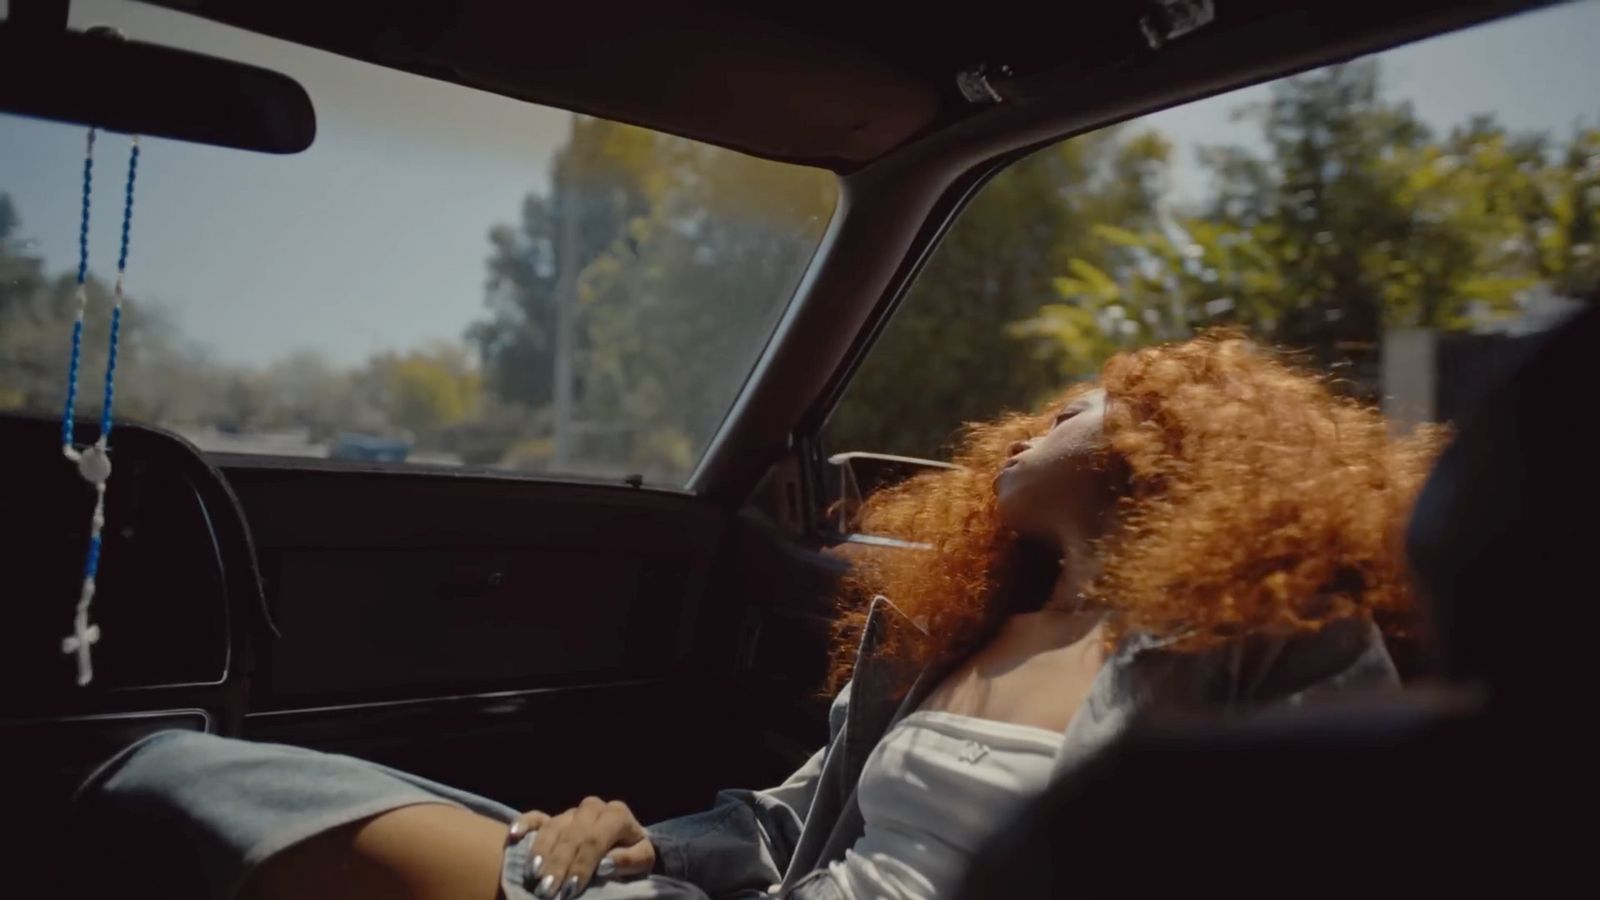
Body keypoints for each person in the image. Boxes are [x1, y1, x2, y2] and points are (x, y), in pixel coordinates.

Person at [69, 333, 1441, 900]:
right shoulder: (942, 632)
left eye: (1095, 396)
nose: (1051, 409)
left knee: (194, 787)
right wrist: (644, 835)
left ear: (1193, 448)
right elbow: (795, 823)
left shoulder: (1270, 640)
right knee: (198, 774)